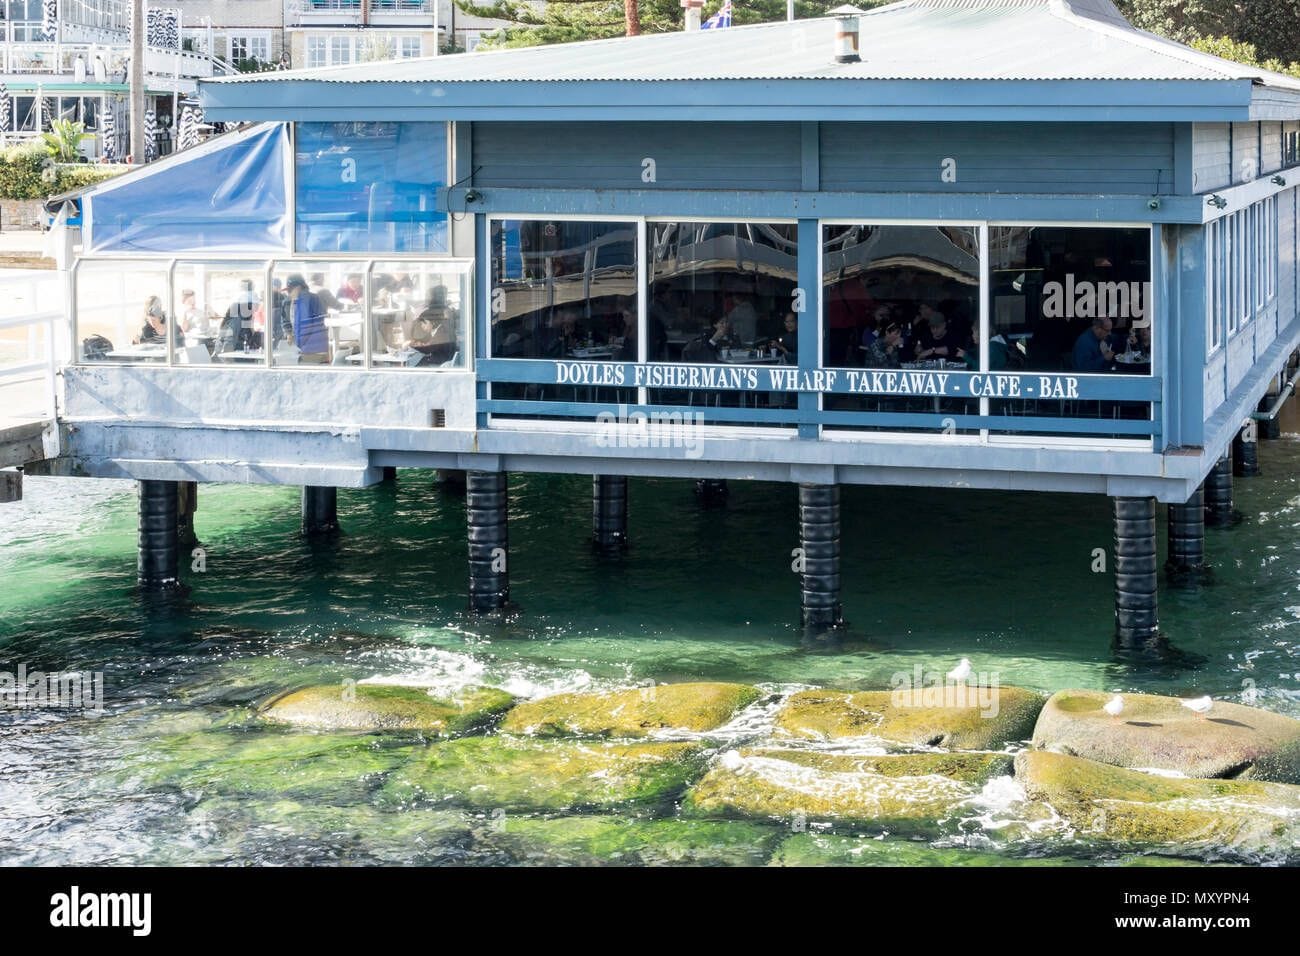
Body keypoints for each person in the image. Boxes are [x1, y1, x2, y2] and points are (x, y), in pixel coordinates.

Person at [285, 274, 330, 363]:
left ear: (298, 287)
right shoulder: (290, 302)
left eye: (290, 290)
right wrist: (288, 332)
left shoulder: (305, 300)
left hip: (311, 349)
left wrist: (300, 346)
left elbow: (306, 325)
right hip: (317, 346)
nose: (288, 293)